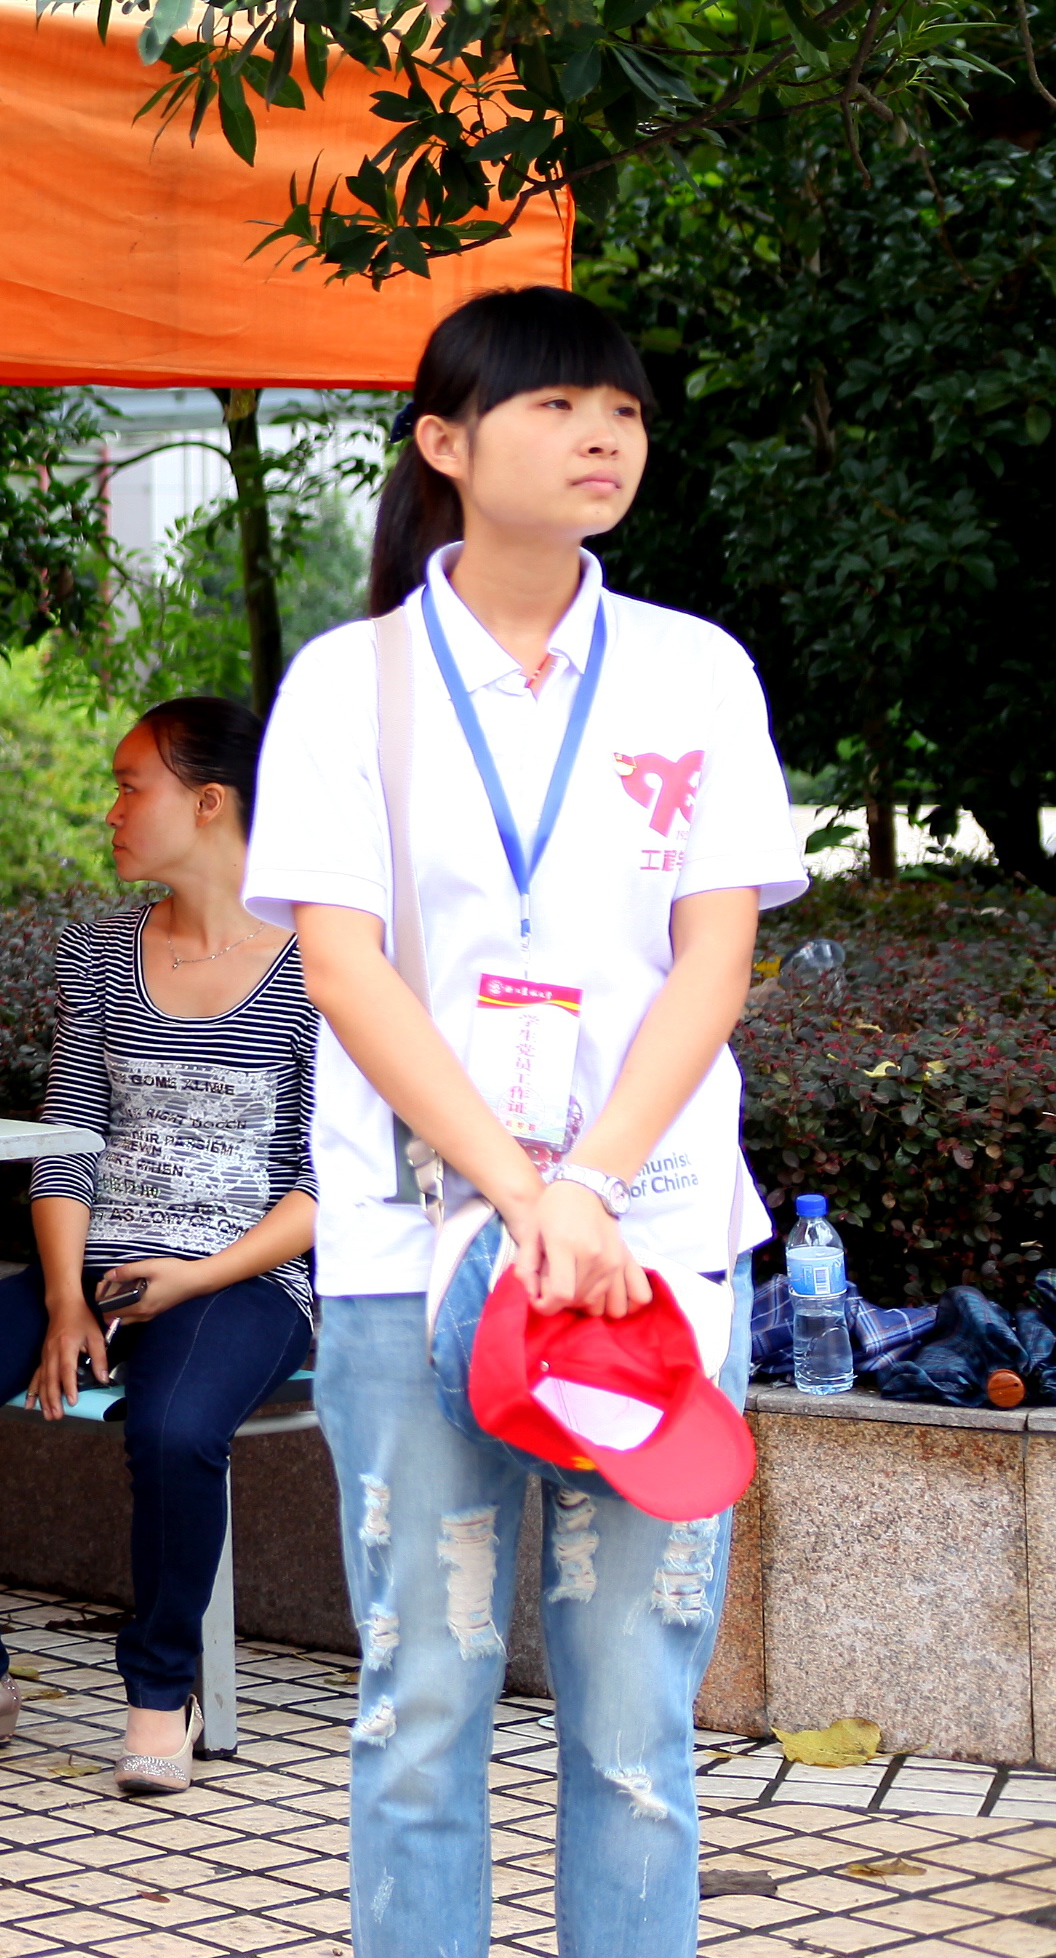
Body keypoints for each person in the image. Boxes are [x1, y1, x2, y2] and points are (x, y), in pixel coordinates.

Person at [244, 286, 798, 1958]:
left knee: (637, 1732)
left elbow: (715, 960)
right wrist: (521, 1188)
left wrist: (592, 1184)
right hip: (413, 1247)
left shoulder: (694, 673)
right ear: (445, 442)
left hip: (649, 1250)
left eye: (621, 410)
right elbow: (343, 967)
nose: (601, 437)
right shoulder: (348, 685)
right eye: (555, 406)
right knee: (422, 1709)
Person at [0, 696, 315, 1795]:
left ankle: (162, 1692)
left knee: (172, 1429)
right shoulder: (103, 953)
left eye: (129, 785)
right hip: (96, 1267)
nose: (110, 809)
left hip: (245, 1276)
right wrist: (66, 1297)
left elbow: (328, 1184)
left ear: (208, 801)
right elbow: (69, 1139)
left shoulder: (320, 963)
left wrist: (192, 1279)